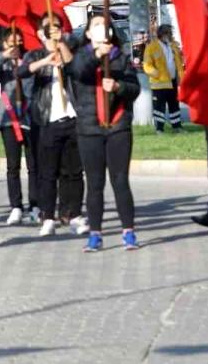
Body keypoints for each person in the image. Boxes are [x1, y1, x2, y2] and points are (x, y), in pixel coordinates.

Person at [69, 15, 142, 251]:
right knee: (95, 183)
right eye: (96, 25)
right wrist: (97, 55)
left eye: (105, 25)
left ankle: (128, 232)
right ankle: (96, 234)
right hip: (89, 128)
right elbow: (79, 72)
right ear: (88, 33)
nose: (102, 28)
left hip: (117, 126)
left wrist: (119, 87)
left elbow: (134, 88)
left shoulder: (120, 57)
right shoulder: (81, 55)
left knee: (120, 180)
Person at [18, 15, 87, 237]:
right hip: (46, 120)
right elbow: (21, 72)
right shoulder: (35, 54)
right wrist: (46, 61)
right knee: (48, 173)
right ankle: (47, 216)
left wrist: (61, 47)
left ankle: (73, 213)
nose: (53, 30)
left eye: (57, 27)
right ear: (40, 33)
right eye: (48, 28)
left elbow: (76, 68)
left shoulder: (69, 49)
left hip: (72, 118)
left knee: (74, 172)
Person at [0, 27, 36, 226]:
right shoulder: (3, 63)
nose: (16, 46)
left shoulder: (30, 59)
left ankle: (35, 205)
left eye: (18, 42)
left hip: (30, 117)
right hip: (9, 118)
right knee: (13, 166)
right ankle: (16, 206)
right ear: (4, 44)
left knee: (34, 166)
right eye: (11, 43)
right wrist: (5, 55)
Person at [143, 24, 184, 132]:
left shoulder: (173, 46)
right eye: (168, 33)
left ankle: (177, 127)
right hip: (159, 83)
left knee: (174, 105)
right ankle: (159, 129)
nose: (170, 35)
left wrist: (181, 76)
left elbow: (179, 62)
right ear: (161, 34)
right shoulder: (152, 47)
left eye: (171, 33)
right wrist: (157, 74)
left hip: (172, 81)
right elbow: (147, 65)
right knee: (159, 107)